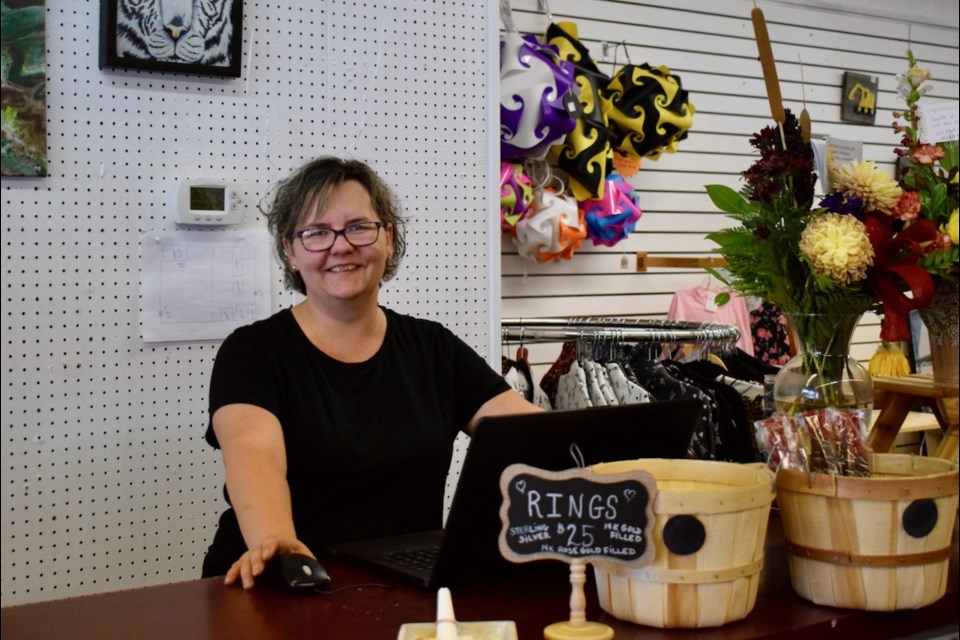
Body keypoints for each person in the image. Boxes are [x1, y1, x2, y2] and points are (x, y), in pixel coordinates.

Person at [201, 156, 541, 588]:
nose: (340, 246)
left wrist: (625, 451)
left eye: (359, 227)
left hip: (400, 586)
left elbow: (530, 436)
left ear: (388, 238)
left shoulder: (433, 348)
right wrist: (277, 542)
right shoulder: (252, 352)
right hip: (283, 584)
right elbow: (254, 453)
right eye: (316, 233)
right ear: (289, 249)